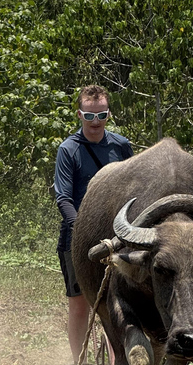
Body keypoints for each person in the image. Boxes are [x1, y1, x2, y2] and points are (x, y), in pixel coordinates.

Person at [54, 85, 133, 365]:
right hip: (77, 239)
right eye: (89, 116)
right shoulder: (69, 149)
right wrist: (83, 230)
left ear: (109, 114)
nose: (95, 122)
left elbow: (132, 193)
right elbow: (63, 197)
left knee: (115, 307)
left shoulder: (121, 146)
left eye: (101, 115)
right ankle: (79, 361)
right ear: (79, 114)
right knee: (79, 304)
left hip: (117, 238)